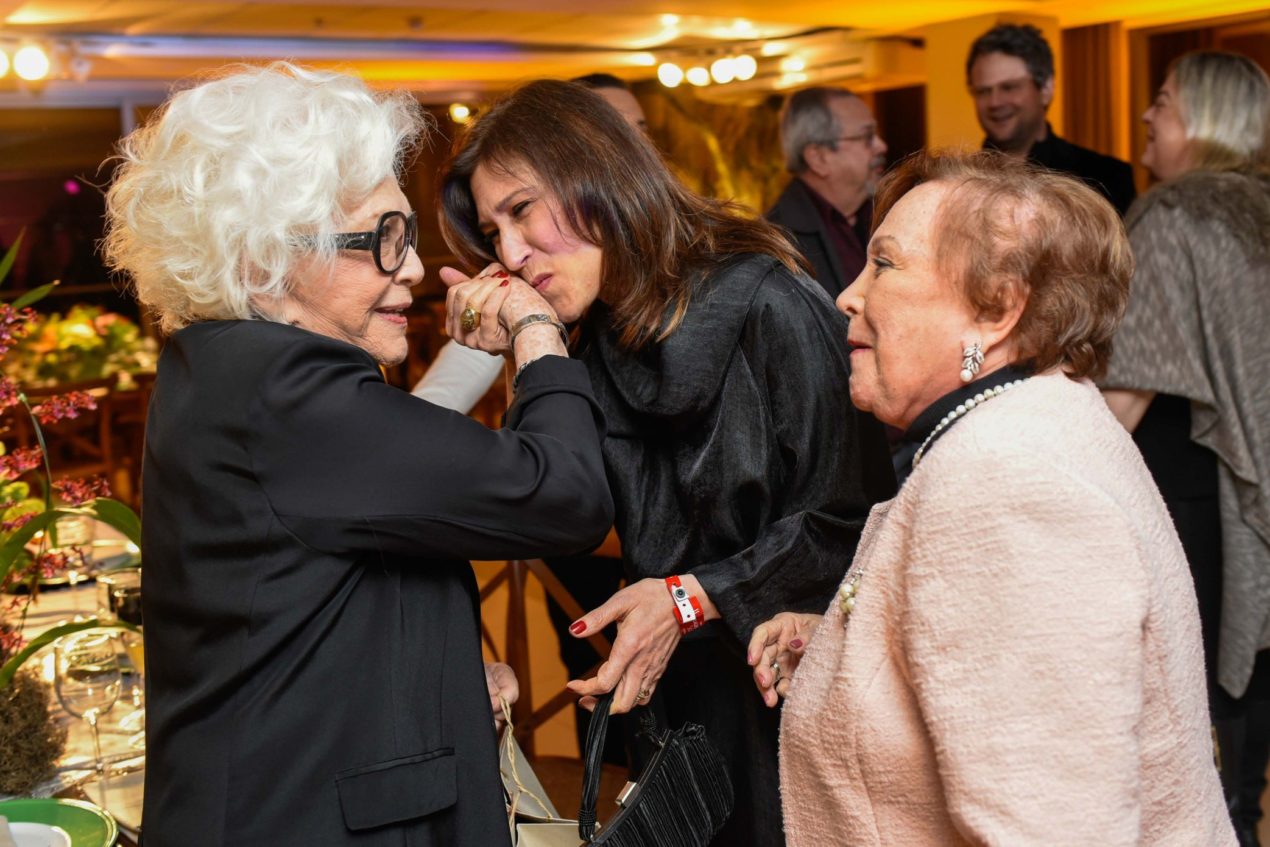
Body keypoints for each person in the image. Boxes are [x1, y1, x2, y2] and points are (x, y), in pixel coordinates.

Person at [102, 63, 614, 846]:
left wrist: (442, 677)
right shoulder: (287, 392)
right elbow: (564, 495)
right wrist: (537, 331)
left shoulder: (225, 366)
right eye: (384, 239)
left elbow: (309, 585)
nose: (413, 268)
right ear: (266, 261)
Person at [439, 79, 896, 846]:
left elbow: (851, 517)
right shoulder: (592, 330)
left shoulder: (768, 300)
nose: (510, 253)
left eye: (522, 210)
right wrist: (528, 342)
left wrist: (691, 597)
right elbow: (553, 512)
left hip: (792, 699)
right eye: (494, 233)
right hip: (676, 705)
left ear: (598, 177)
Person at [748, 150, 1235, 845]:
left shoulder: (1005, 479)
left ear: (997, 309)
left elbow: (1053, 828)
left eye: (883, 264)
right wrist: (842, 647)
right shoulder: (1037, 418)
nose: (845, 297)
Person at [1101, 51, 1270, 847]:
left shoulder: (1173, 216)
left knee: (1191, 764)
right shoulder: (1256, 211)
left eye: (1163, 101)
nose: (1146, 114)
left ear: (1203, 119)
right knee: (1245, 766)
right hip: (1249, 498)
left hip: (1192, 505)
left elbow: (1121, 400)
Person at [412, 73, 649, 410]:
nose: (631, 149)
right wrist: (516, 343)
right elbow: (443, 395)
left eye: (639, 129)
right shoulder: (549, 295)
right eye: (493, 234)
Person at [968, 23, 1137, 216]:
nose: (995, 102)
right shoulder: (961, 183)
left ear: (1046, 89)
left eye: (1009, 87)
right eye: (983, 91)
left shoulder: (1105, 178)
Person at [766, 86, 888, 298]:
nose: (881, 146)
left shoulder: (888, 213)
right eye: (867, 136)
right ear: (818, 158)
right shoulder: (776, 244)